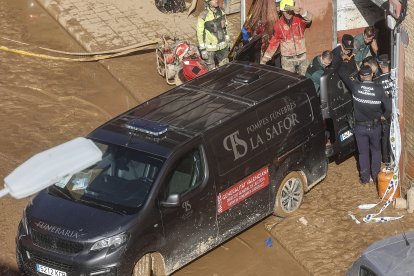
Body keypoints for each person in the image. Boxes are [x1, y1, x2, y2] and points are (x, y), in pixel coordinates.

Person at [339, 65, 391, 185]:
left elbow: (342, 71)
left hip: (360, 128)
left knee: (363, 153)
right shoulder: (379, 89)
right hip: (375, 127)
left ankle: (365, 179)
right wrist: (384, 116)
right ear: (372, 74)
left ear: (361, 76)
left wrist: (346, 57)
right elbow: (389, 107)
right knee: (376, 151)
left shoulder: (355, 87)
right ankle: (376, 177)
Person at [260, 0, 312, 75]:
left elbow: (309, 19)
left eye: (289, 11)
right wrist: (265, 59)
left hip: (302, 57)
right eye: (285, 11)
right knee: (289, 80)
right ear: (282, 11)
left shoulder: (299, 19)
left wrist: (301, 11)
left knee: (303, 79)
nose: (287, 13)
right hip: (287, 59)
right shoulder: (278, 25)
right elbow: (273, 43)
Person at [197, 0, 230, 70]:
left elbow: (224, 26)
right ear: (208, 2)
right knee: (211, 71)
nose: (216, 0)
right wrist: (202, 49)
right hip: (210, 49)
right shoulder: (203, 15)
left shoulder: (221, 12)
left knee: (225, 67)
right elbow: (200, 33)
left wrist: (227, 37)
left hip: (222, 46)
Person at [374, 54, 393, 167]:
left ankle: (386, 160)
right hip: (395, 111)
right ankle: (393, 157)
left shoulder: (377, 81)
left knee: (385, 137)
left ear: (381, 65)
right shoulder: (395, 77)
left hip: (384, 113)